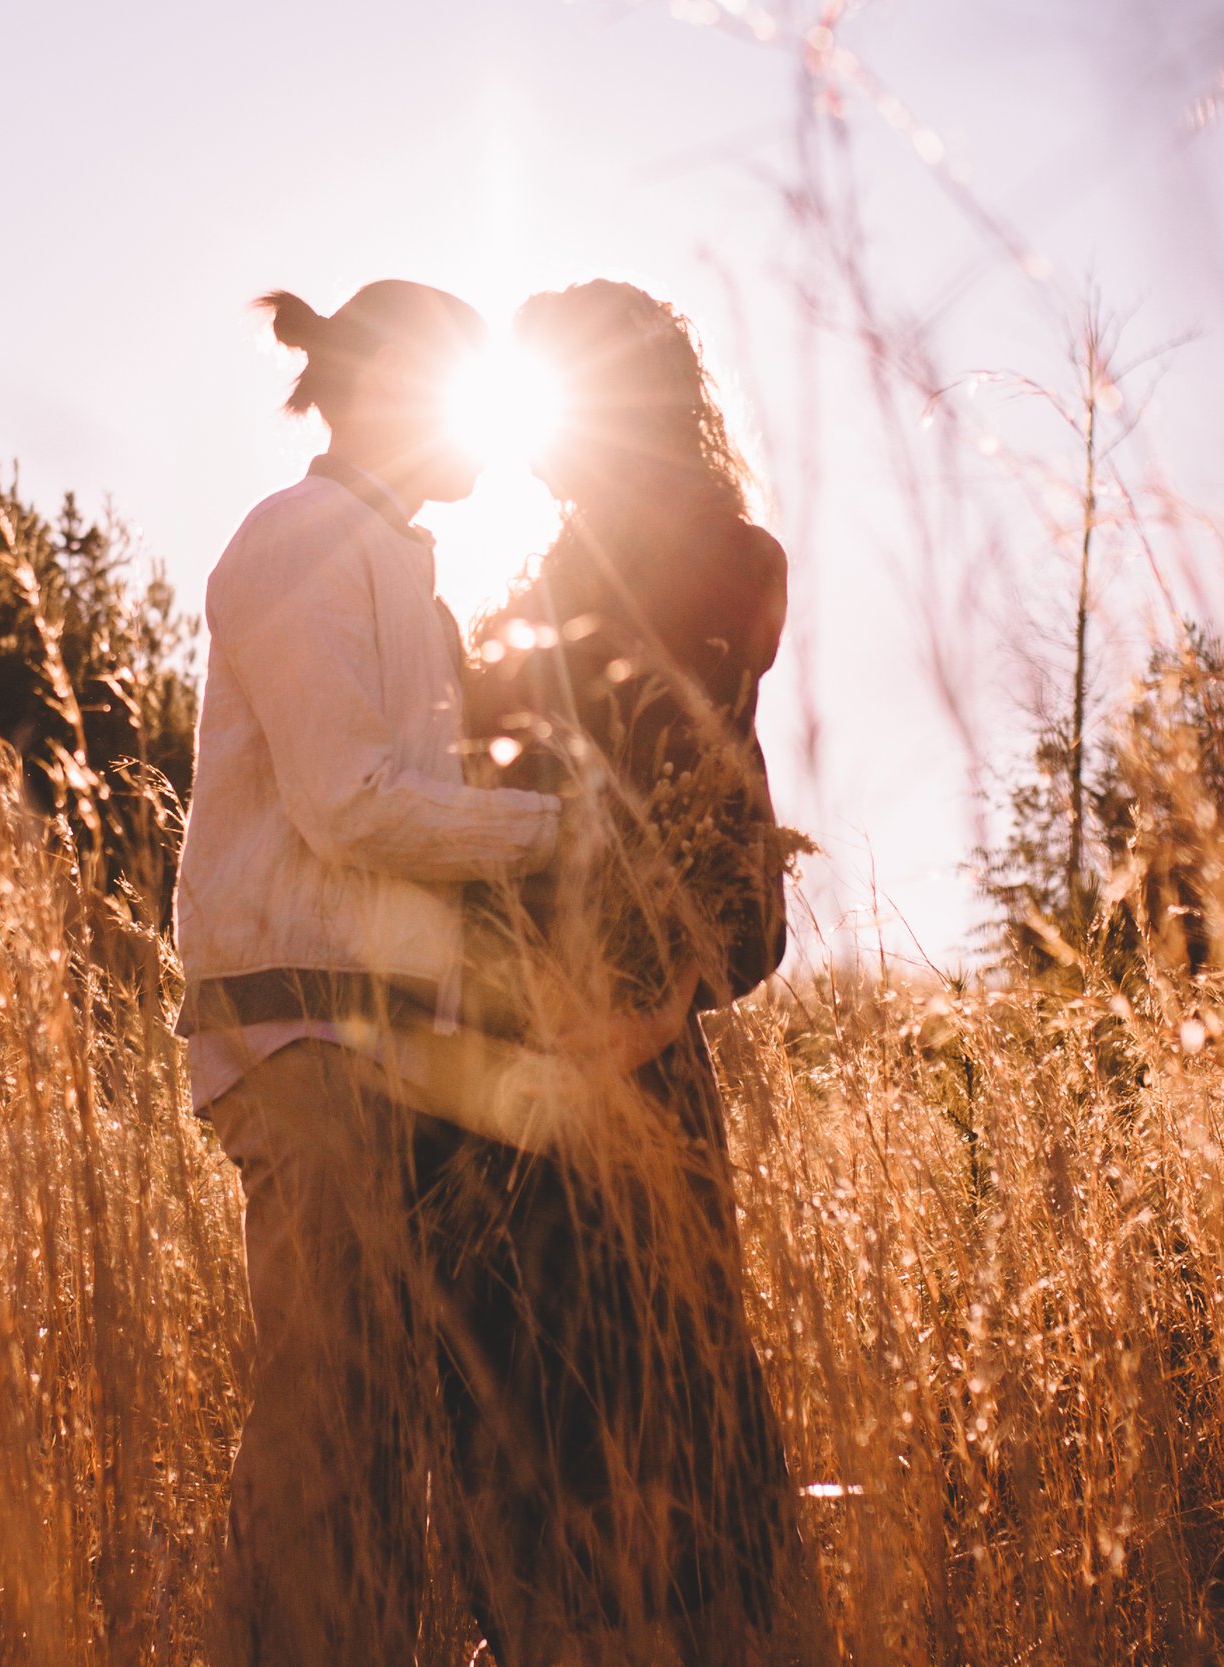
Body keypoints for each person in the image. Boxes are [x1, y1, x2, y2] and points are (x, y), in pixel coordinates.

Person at [176, 280, 672, 1667]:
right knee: (323, 1435)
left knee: (380, 1439)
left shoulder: (405, 574)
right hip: (305, 1043)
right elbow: (350, 803)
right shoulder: (295, 539)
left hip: (394, 1052)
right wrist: (568, 835)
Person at [418, 280, 813, 1667]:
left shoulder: (711, 560)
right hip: (506, 1095)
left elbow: (729, 871)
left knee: (668, 1455)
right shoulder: (533, 598)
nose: (530, 442)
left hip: (623, 1091)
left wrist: (635, 1022)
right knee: (542, 1453)